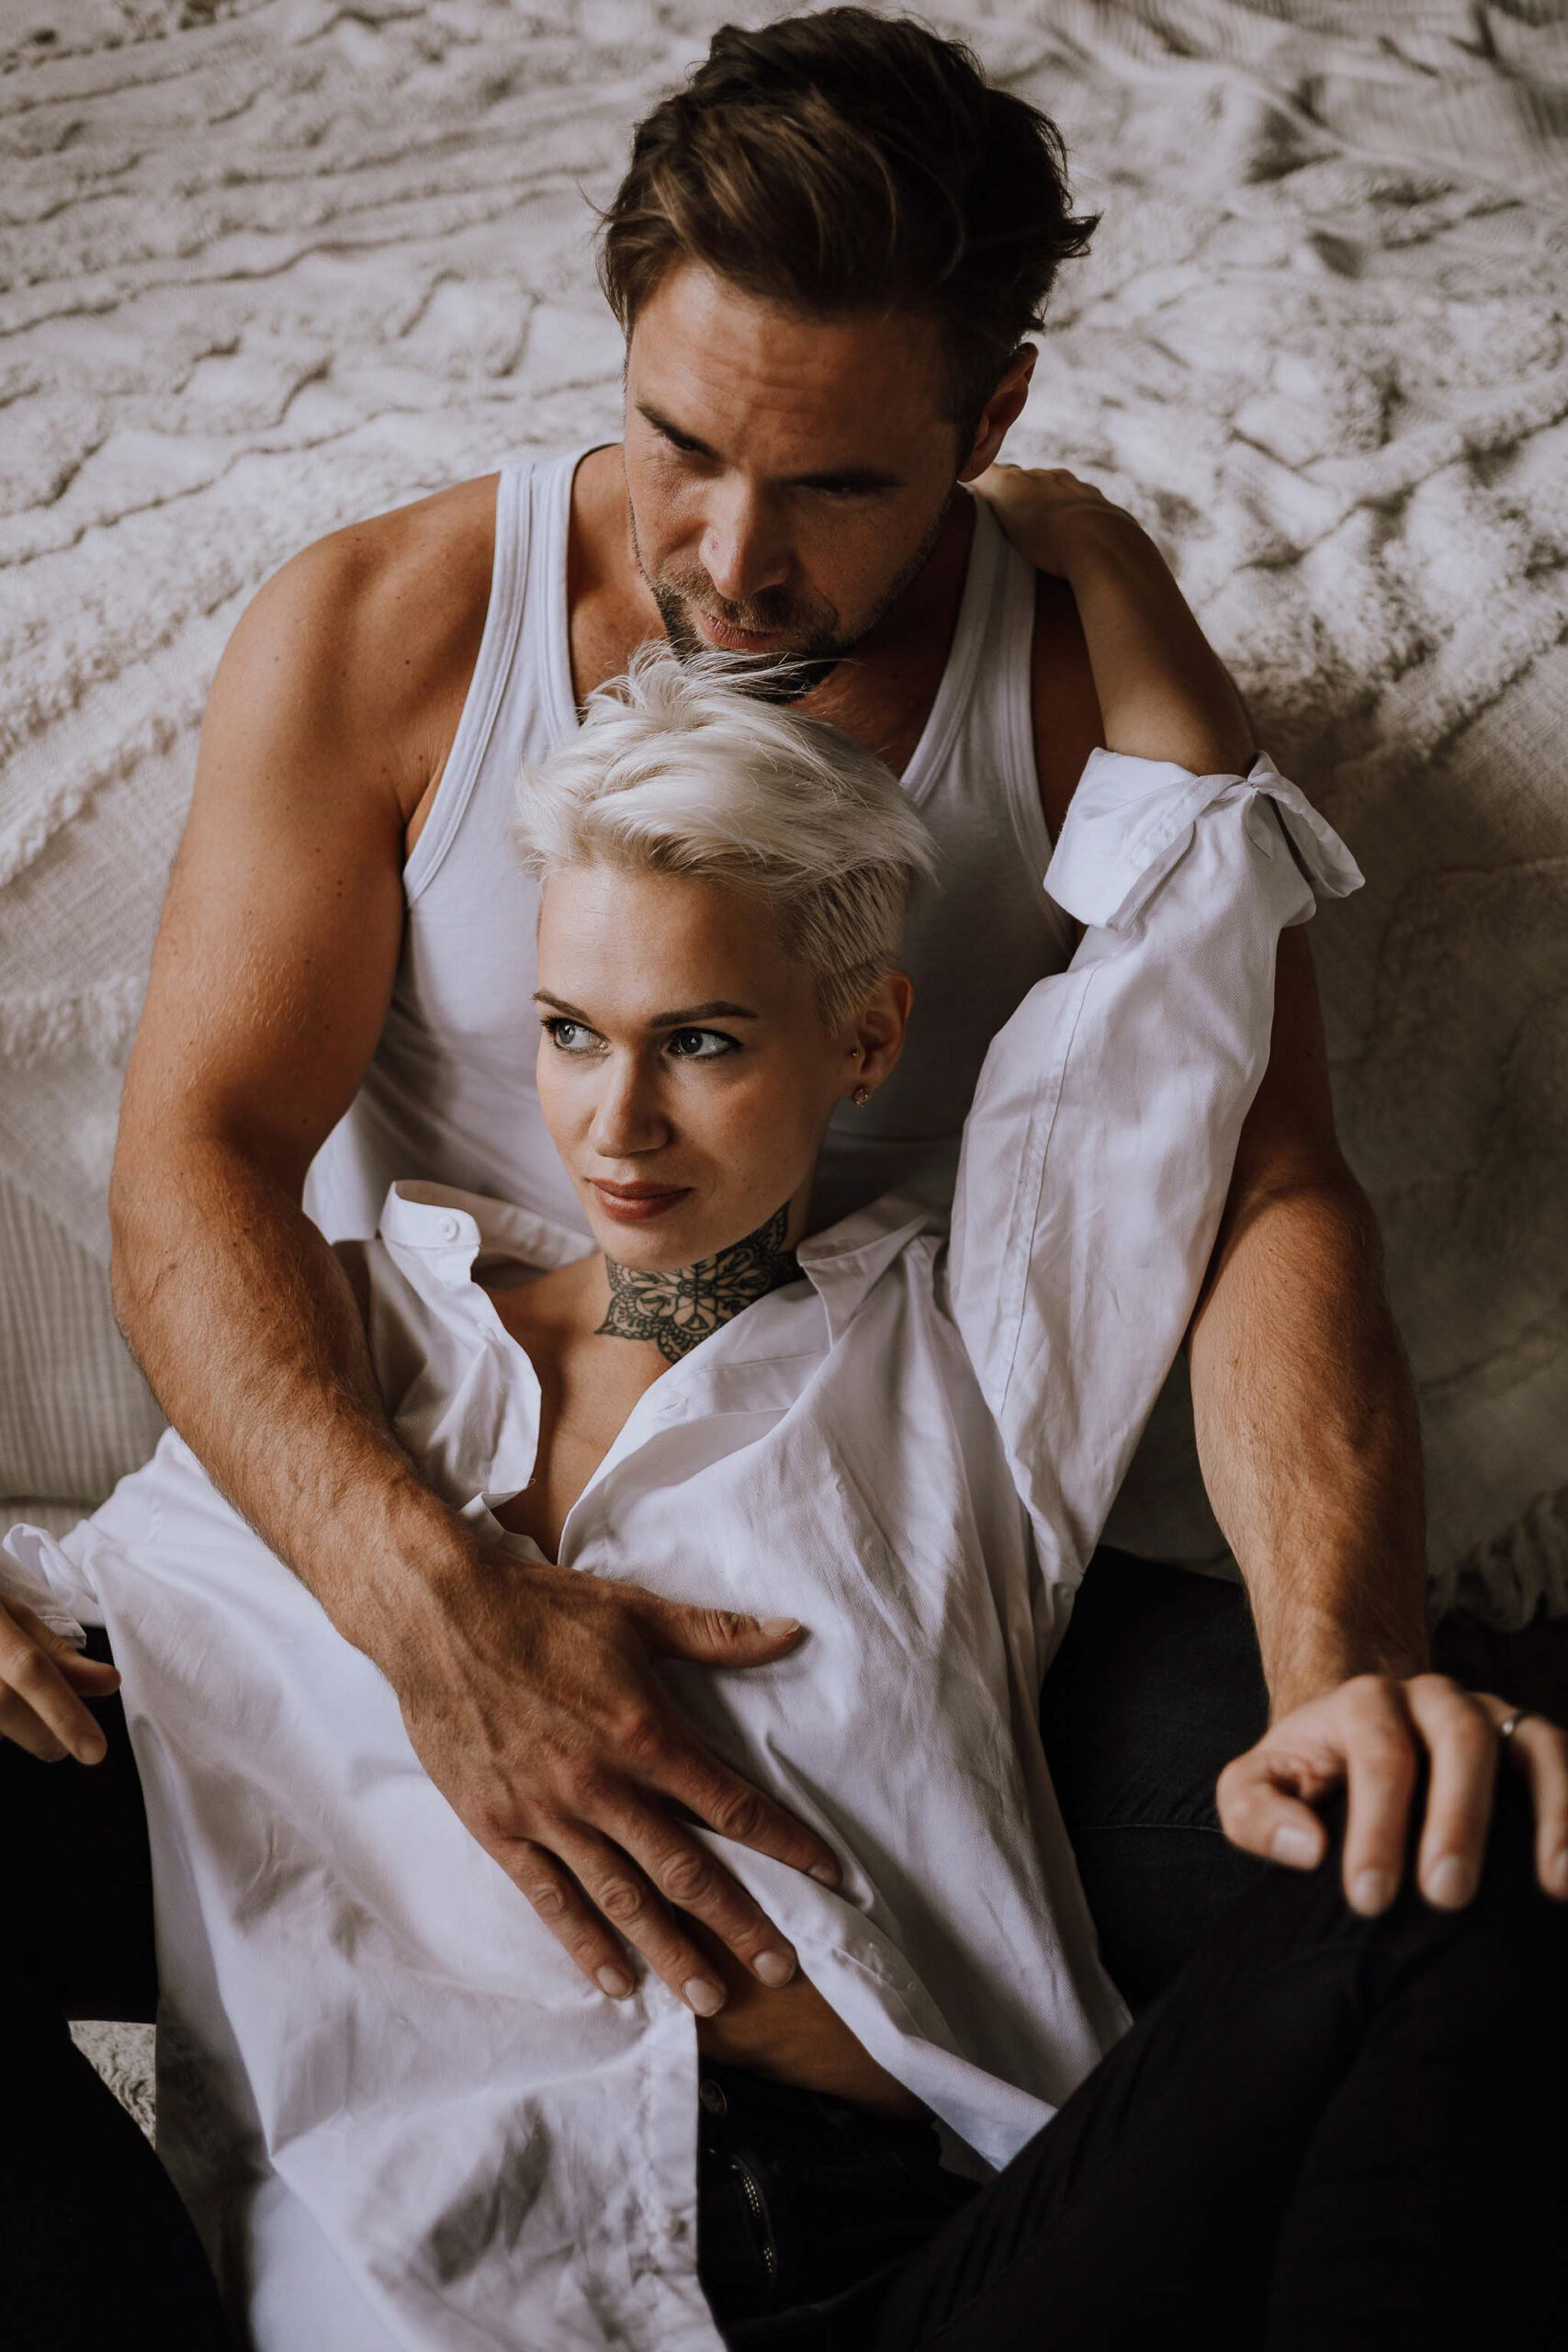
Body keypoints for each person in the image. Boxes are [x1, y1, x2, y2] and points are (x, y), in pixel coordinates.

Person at [88, 8, 1495, 2034]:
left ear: (991, 416)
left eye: (834, 484)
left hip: (903, 1584)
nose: (734, 561)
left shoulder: (1069, 685)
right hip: (444, 1515)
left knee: (1433, 1874)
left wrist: (1338, 1677)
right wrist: (434, 1612)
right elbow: (196, 1151)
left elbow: (1265, 1190)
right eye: (680, 447)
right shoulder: (383, 630)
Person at [5, 637, 1566, 2351]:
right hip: (439, 2297)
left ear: (866, 1034)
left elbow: (1192, 958)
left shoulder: (969, 1352)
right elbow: (91, 1614)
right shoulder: (356, 1368)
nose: (618, 1124)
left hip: (936, 2271)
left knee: (1477, 1825)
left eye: (700, 1043)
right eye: (571, 1034)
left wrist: (1104, 570)